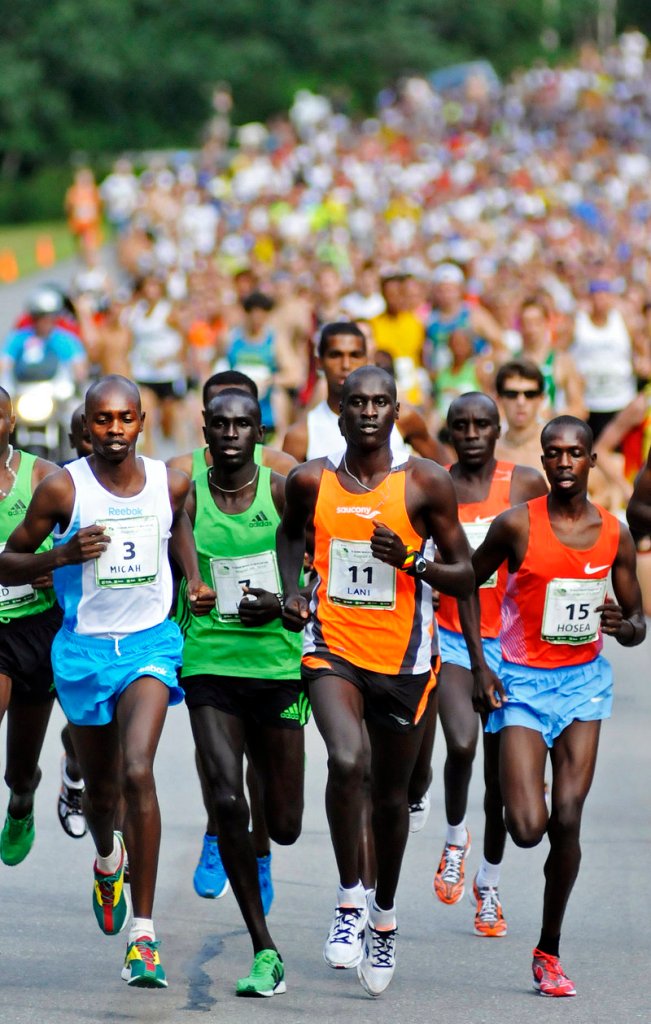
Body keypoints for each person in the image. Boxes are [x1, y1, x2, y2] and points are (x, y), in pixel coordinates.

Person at [0, 375, 214, 989]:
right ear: (87, 425)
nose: (114, 430)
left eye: (125, 419)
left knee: (137, 769)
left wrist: (193, 579)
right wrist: (60, 557)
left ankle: (142, 937)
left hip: (149, 645)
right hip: (83, 652)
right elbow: (9, 558)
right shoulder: (64, 489)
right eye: (102, 420)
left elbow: (181, 534)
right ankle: (106, 858)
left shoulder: (171, 483)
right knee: (101, 797)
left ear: (142, 421)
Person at [277, 365, 473, 996]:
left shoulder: (425, 483)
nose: (367, 411)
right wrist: (292, 595)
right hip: (333, 650)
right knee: (344, 759)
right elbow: (288, 537)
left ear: (396, 412)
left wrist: (413, 561)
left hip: (408, 664)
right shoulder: (312, 480)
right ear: (339, 411)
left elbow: (466, 572)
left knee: (390, 801)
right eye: (356, 402)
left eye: (380, 402)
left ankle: (383, 915)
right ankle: (348, 898)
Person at [467, 416, 645, 996]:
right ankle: (524, 780)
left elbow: (637, 620)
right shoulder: (515, 524)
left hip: (583, 685)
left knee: (568, 818)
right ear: (542, 461)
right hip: (520, 682)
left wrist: (627, 625)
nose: (564, 462)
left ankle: (548, 951)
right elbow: (466, 582)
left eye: (575, 453)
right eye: (554, 453)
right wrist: (480, 661)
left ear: (593, 462)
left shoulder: (613, 533)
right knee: (526, 828)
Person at [179, 388, 307, 996]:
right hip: (209, 663)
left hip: (278, 669)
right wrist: (195, 585)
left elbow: (311, 572)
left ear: (260, 431)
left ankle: (260, 849)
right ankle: (264, 948)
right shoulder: (187, 491)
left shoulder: (284, 492)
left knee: (282, 823)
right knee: (228, 798)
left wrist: (285, 604)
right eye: (221, 423)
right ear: (206, 428)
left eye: (244, 424)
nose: (232, 433)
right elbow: (178, 554)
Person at [424, 393, 546, 936]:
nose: (472, 433)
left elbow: (547, 555)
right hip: (453, 637)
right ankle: (455, 840)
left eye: (482, 425)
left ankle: (489, 884)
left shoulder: (524, 484)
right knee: (462, 744)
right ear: (449, 432)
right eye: (461, 426)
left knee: (501, 780)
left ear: (498, 430)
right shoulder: (435, 485)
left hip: (515, 647)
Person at [0, 389, 62, 865]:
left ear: (11, 419)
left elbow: (77, 543)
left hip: (38, 628)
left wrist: (50, 568)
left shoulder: (42, 477)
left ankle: (22, 800)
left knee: (19, 770)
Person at [282, 322, 443, 463]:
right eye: (335, 355)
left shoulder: (402, 418)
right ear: (319, 362)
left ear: (367, 359)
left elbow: (447, 470)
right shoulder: (302, 435)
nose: (345, 364)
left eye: (355, 355)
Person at [494, 360, 548, 473]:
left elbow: (595, 485)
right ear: (499, 399)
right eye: (511, 394)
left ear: (541, 399)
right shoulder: (491, 453)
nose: (521, 402)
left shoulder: (559, 448)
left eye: (530, 394)